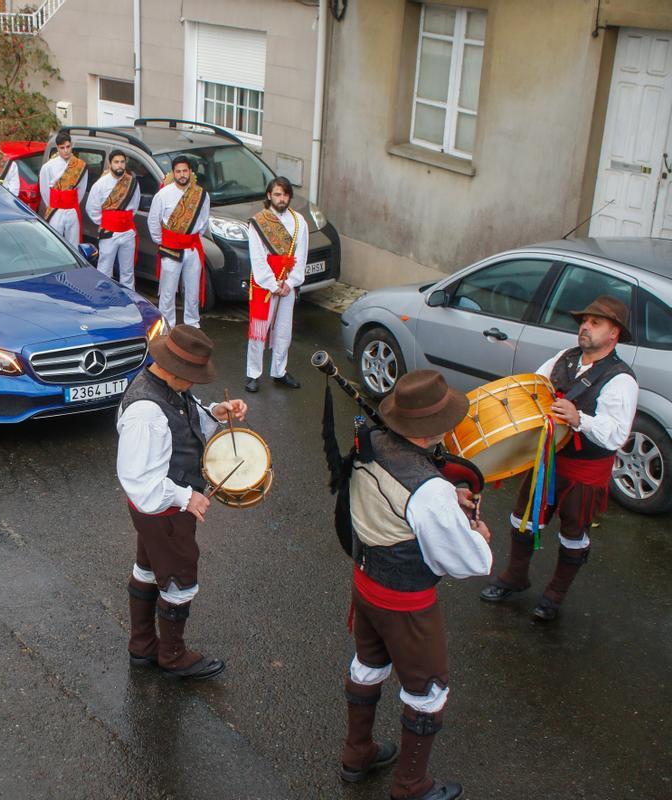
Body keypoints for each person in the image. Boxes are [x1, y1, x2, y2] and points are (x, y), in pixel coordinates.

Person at [337, 370, 491, 800]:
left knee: (368, 665)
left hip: (366, 583)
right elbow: (466, 561)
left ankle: (357, 753)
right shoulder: (429, 491)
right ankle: (410, 785)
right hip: (405, 601)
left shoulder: (371, 442)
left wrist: (445, 497)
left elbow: (402, 502)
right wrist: (476, 532)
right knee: (429, 688)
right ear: (438, 427)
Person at [479, 296, 638, 621]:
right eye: (584, 320)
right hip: (546, 459)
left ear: (614, 333)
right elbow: (533, 391)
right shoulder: (563, 359)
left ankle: (554, 595)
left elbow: (617, 435)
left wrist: (579, 419)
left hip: (585, 471)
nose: (585, 327)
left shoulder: (620, 379)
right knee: (523, 519)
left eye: (595, 323)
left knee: (574, 533)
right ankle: (515, 577)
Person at [116, 325, 246, 680]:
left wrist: (217, 413)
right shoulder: (146, 413)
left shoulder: (164, 387)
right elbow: (139, 481)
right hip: (164, 511)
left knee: (148, 567)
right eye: (190, 377)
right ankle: (172, 656)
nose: (193, 384)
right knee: (180, 575)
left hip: (159, 512)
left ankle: (142, 645)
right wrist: (187, 497)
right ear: (173, 369)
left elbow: (186, 419)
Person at [245, 177, 308, 392]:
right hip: (265, 285)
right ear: (269, 196)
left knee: (283, 331)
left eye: (285, 194)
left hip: (288, 284)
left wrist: (290, 283)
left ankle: (279, 371)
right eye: (278, 194)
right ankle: (253, 373)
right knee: (259, 330)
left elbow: (301, 256)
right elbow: (258, 258)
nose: (282, 199)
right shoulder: (258, 222)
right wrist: (273, 284)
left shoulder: (299, 222)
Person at [148, 155, 210, 329]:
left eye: (185, 171)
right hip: (170, 248)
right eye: (178, 171)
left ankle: (192, 323)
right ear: (173, 173)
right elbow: (153, 222)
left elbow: (204, 222)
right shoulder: (163, 195)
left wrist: (189, 238)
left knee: (192, 288)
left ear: (190, 172)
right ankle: (167, 324)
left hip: (192, 248)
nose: (182, 175)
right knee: (168, 290)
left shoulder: (201, 195)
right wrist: (165, 241)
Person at [86, 150, 139, 289]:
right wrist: (105, 222)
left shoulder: (132, 182)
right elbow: (91, 208)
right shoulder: (100, 184)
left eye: (122, 162)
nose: (119, 165)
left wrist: (123, 220)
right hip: (109, 232)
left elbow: (134, 206)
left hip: (127, 232)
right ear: (110, 164)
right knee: (104, 269)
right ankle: (104, 301)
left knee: (127, 271)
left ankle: (129, 303)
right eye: (116, 162)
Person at [39, 132, 87, 247]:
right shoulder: (48, 166)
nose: (66, 150)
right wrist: (54, 204)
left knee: (73, 244)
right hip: (55, 209)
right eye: (62, 148)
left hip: (72, 209)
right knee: (54, 244)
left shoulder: (80, 165)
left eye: (68, 147)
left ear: (71, 146)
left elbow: (81, 189)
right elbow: (44, 190)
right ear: (57, 148)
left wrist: (70, 202)